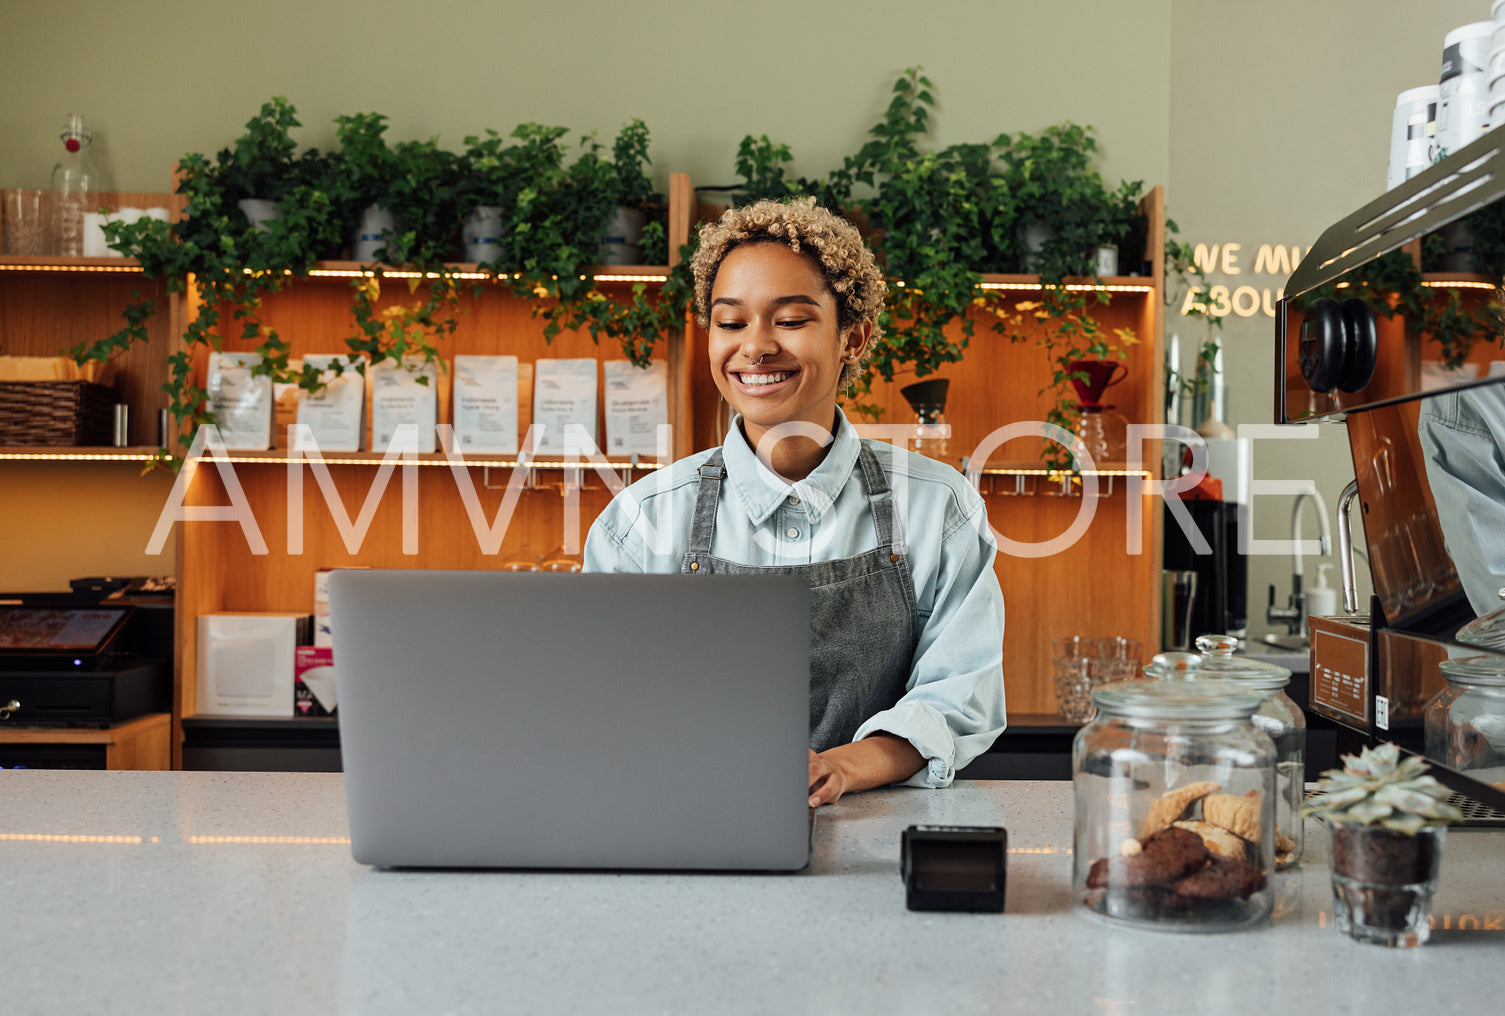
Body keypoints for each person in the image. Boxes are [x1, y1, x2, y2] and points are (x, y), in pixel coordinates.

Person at [584, 197, 1006, 807]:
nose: (755, 347)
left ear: (852, 339)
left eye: (790, 319)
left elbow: (959, 696)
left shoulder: (939, 508)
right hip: (688, 824)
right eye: (730, 323)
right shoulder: (640, 521)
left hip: (881, 834)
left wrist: (839, 768)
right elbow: (604, 700)